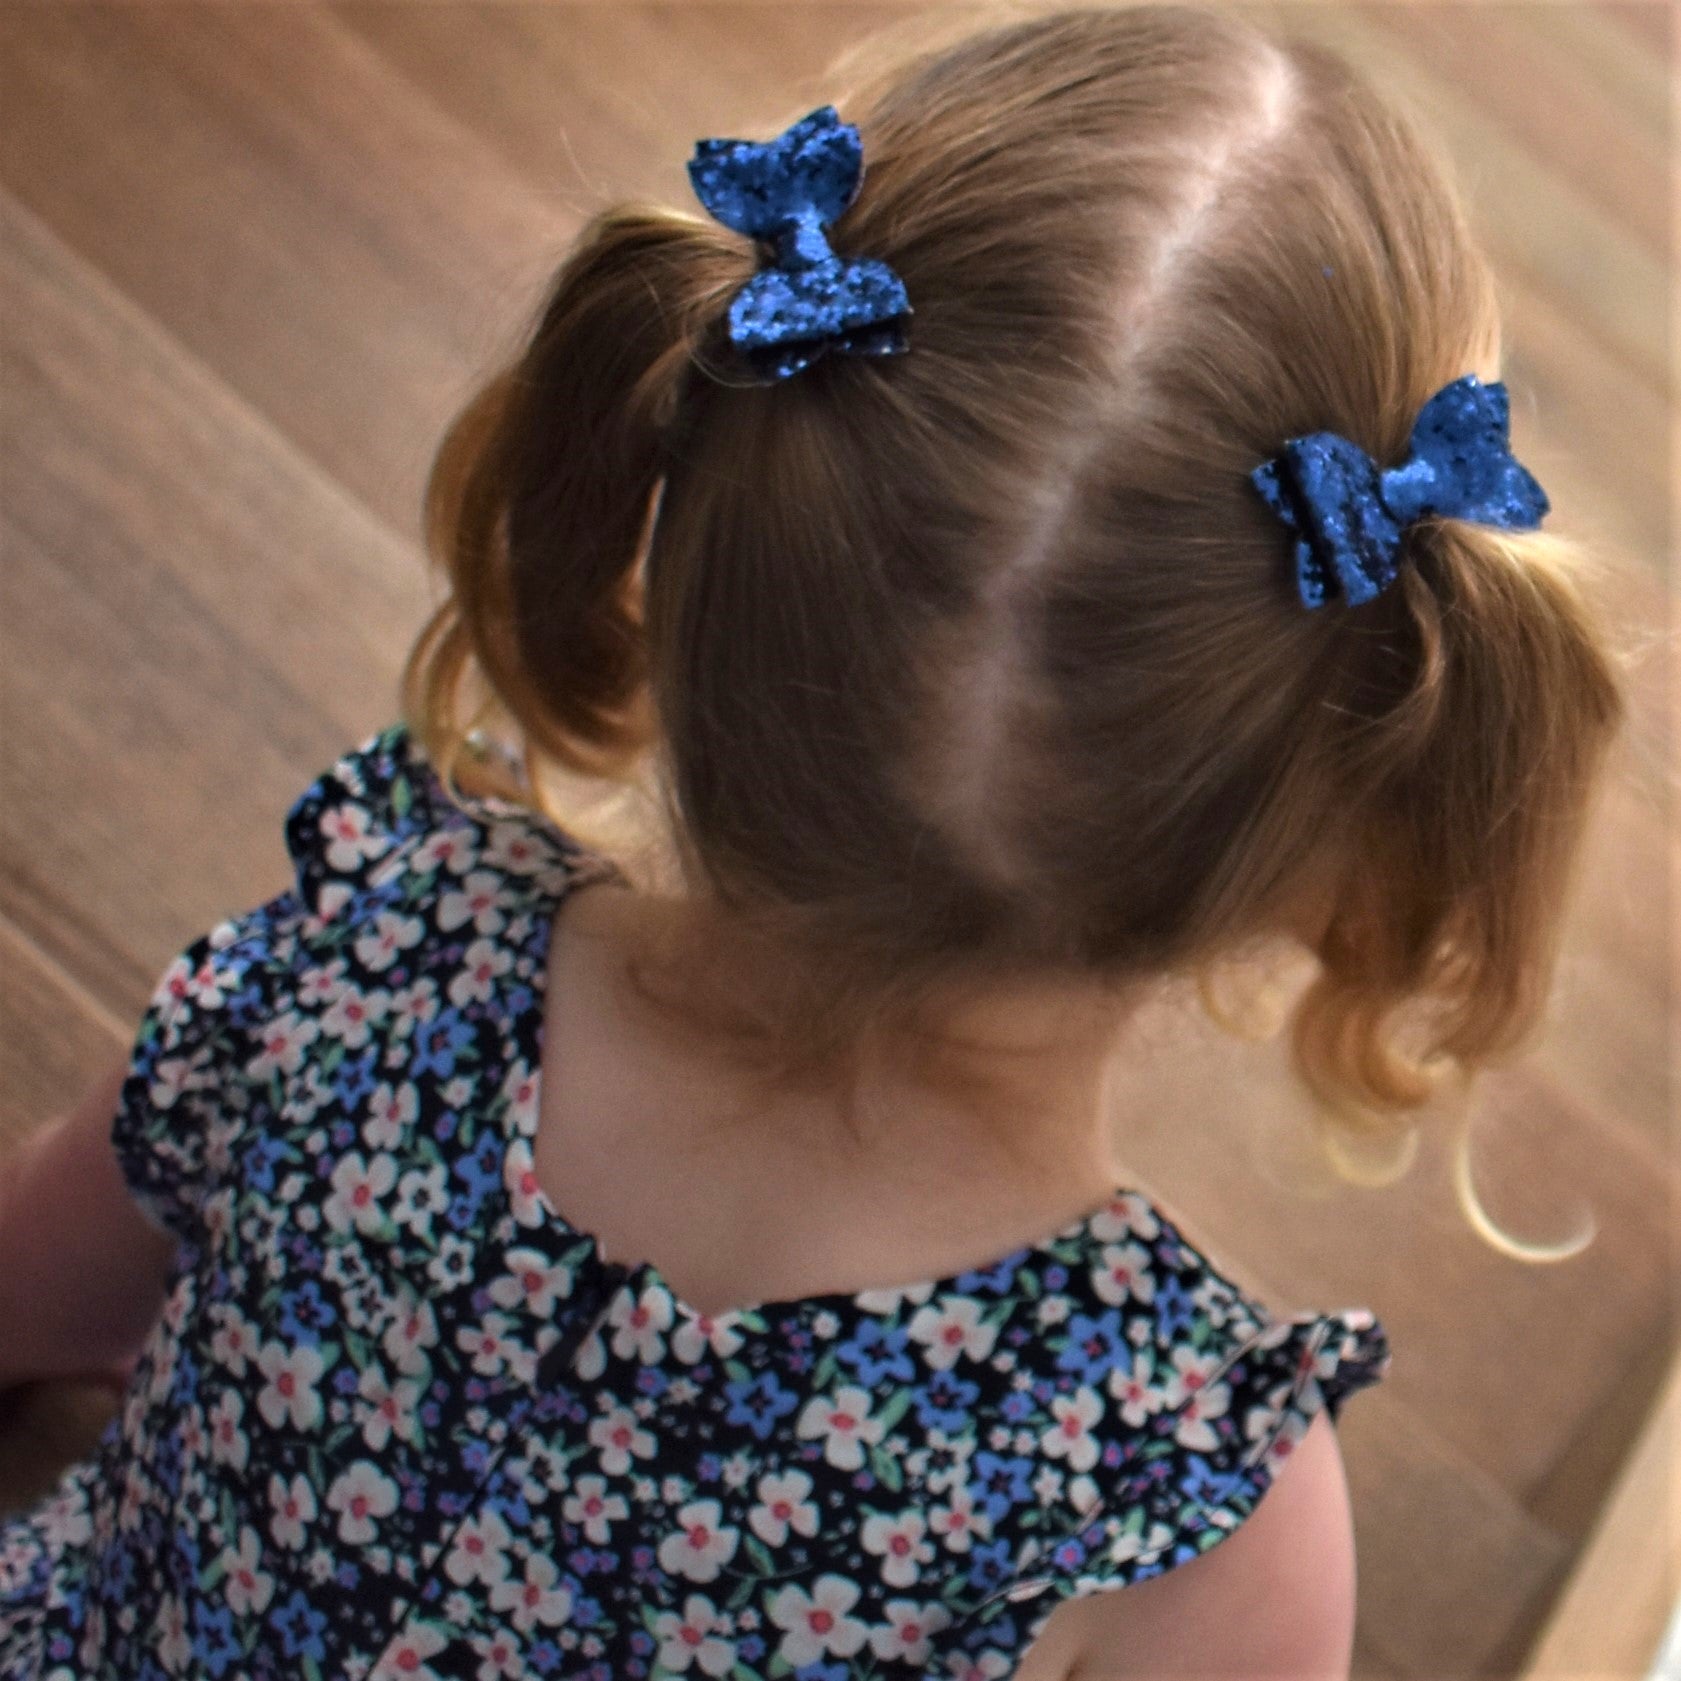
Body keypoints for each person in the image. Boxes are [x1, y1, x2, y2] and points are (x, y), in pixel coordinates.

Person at [0, 4, 1629, 1677]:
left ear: (681, 552)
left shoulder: (383, 955)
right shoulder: (1173, 1503)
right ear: (1322, 836)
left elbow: (32, 1290)